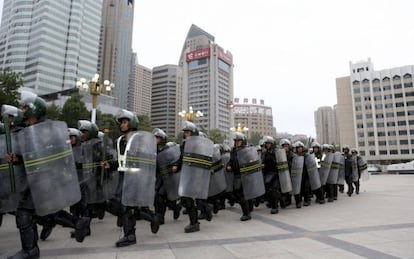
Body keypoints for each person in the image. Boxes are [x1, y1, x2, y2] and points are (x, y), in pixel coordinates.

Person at [261, 136, 281, 214]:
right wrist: (263, 165)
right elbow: (263, 162)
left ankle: (275, 207)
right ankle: (277, 200)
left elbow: (279, 162)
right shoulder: (265, 153)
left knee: (274, 190)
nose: (267, 145)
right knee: (268, 190)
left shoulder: (277, 152)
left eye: (269, 143)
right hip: (268, 174)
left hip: (276, 173)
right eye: (266, 144)